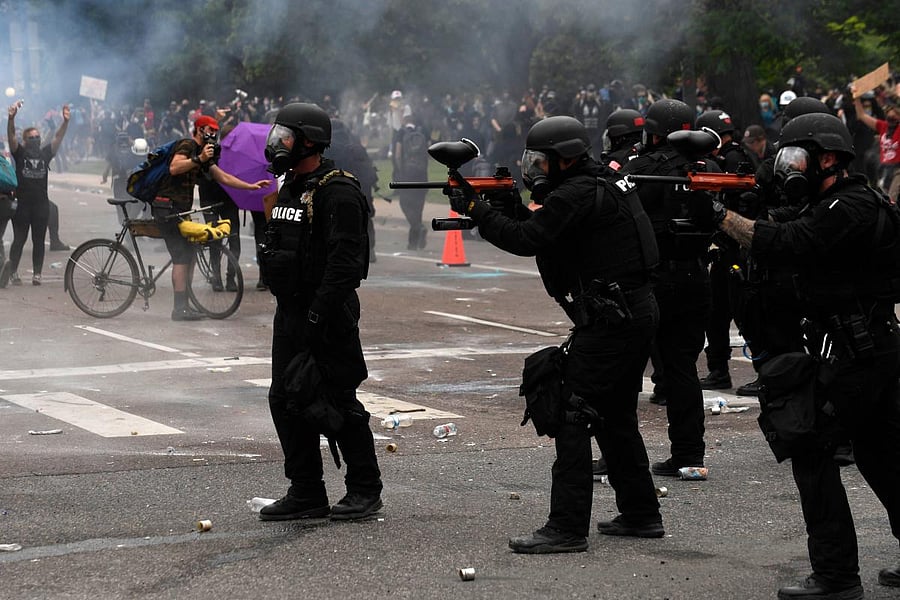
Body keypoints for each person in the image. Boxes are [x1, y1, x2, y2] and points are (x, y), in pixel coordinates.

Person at [706, 112, 900, 599]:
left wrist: (720, 217)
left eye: (797, 158)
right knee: (882, 457)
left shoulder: (848, 207)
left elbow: (788, 242)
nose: (789, 168)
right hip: (868, 348)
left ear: (829, 159)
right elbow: (788, 225)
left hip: (858, 353)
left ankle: (836, 577)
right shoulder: (842, 202)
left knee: (811, 450)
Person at [449, 116, 663, 553]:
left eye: (541, 162)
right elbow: (552, 234)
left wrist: (476, 209)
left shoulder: (579, 192)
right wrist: (506, 204)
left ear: (564, 160)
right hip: (631, 312)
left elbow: (529, 239)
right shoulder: (603, 180)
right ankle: (641, 514)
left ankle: (566, 527)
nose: (534, 170)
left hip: (611, 320)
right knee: (616, 415)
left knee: (572, 412)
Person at [258, 102, 382, 522]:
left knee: (336, 401)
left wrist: (318, 315)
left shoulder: (339, 191)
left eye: (286, 136)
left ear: (309, 141)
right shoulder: (291, 186)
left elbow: (346, 265)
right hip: (290, 314)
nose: (278, 143)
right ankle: (306, 491)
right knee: (285, 399)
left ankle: (365, 489)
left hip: (327, 315)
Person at [621, 99, 720, 478]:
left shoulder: (643, 168)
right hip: (696, 277)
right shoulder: (709, 169)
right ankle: (689, 453)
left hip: (655, 280)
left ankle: (619, 455)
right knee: (682, 369)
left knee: (626, 370)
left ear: (657, 132)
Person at [155, 114, 270, 320]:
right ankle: (178, 309)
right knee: (181, 256)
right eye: (210, 130)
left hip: (179, 209)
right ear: (199, 130)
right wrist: (199, 159)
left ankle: (185, 305)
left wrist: (250, 186)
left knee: (188, 254)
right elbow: (174, 167)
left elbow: (223, 177)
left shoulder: (202, 153)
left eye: (216, 132)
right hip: (166, 207)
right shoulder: (187, 145)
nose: (213, 135)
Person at [694, 109, 757, 395]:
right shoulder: (741, 156)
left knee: (726, 312)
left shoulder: (726, 161)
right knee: (731, 312)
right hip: (738, 246)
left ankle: (722, 370)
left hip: (731, 247)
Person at [1, 101, 69, 287]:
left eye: (37, 137)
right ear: (25, 141)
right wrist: (11, 118)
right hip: (22, 205)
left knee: (38, 240)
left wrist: (65, 122)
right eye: (31, 137)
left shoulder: (45, 154)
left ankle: (37, 274)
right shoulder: (20, 153)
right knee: (19, 240)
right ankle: (13, 272)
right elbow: (11, 136)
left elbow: (57, 138)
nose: (35, 140)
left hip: (41, 205)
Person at [852, 92, 900, 202]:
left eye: (894, 115)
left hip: (897, 169)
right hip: (883, 169)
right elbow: (862, 116)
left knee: (892, 198)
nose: (891, 117)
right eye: (889, 115)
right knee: (881, 196)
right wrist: (857, 98)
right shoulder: (883, 126)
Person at [395, 114, 429, 250]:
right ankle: (414, 243)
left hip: (407, 175)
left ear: (405, 122)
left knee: (405, 203)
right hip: (422, 177)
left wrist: (400, 170)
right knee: (418, 208)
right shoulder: (422, 134)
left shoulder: (401, 133)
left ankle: (418, 228)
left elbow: (397, 155)